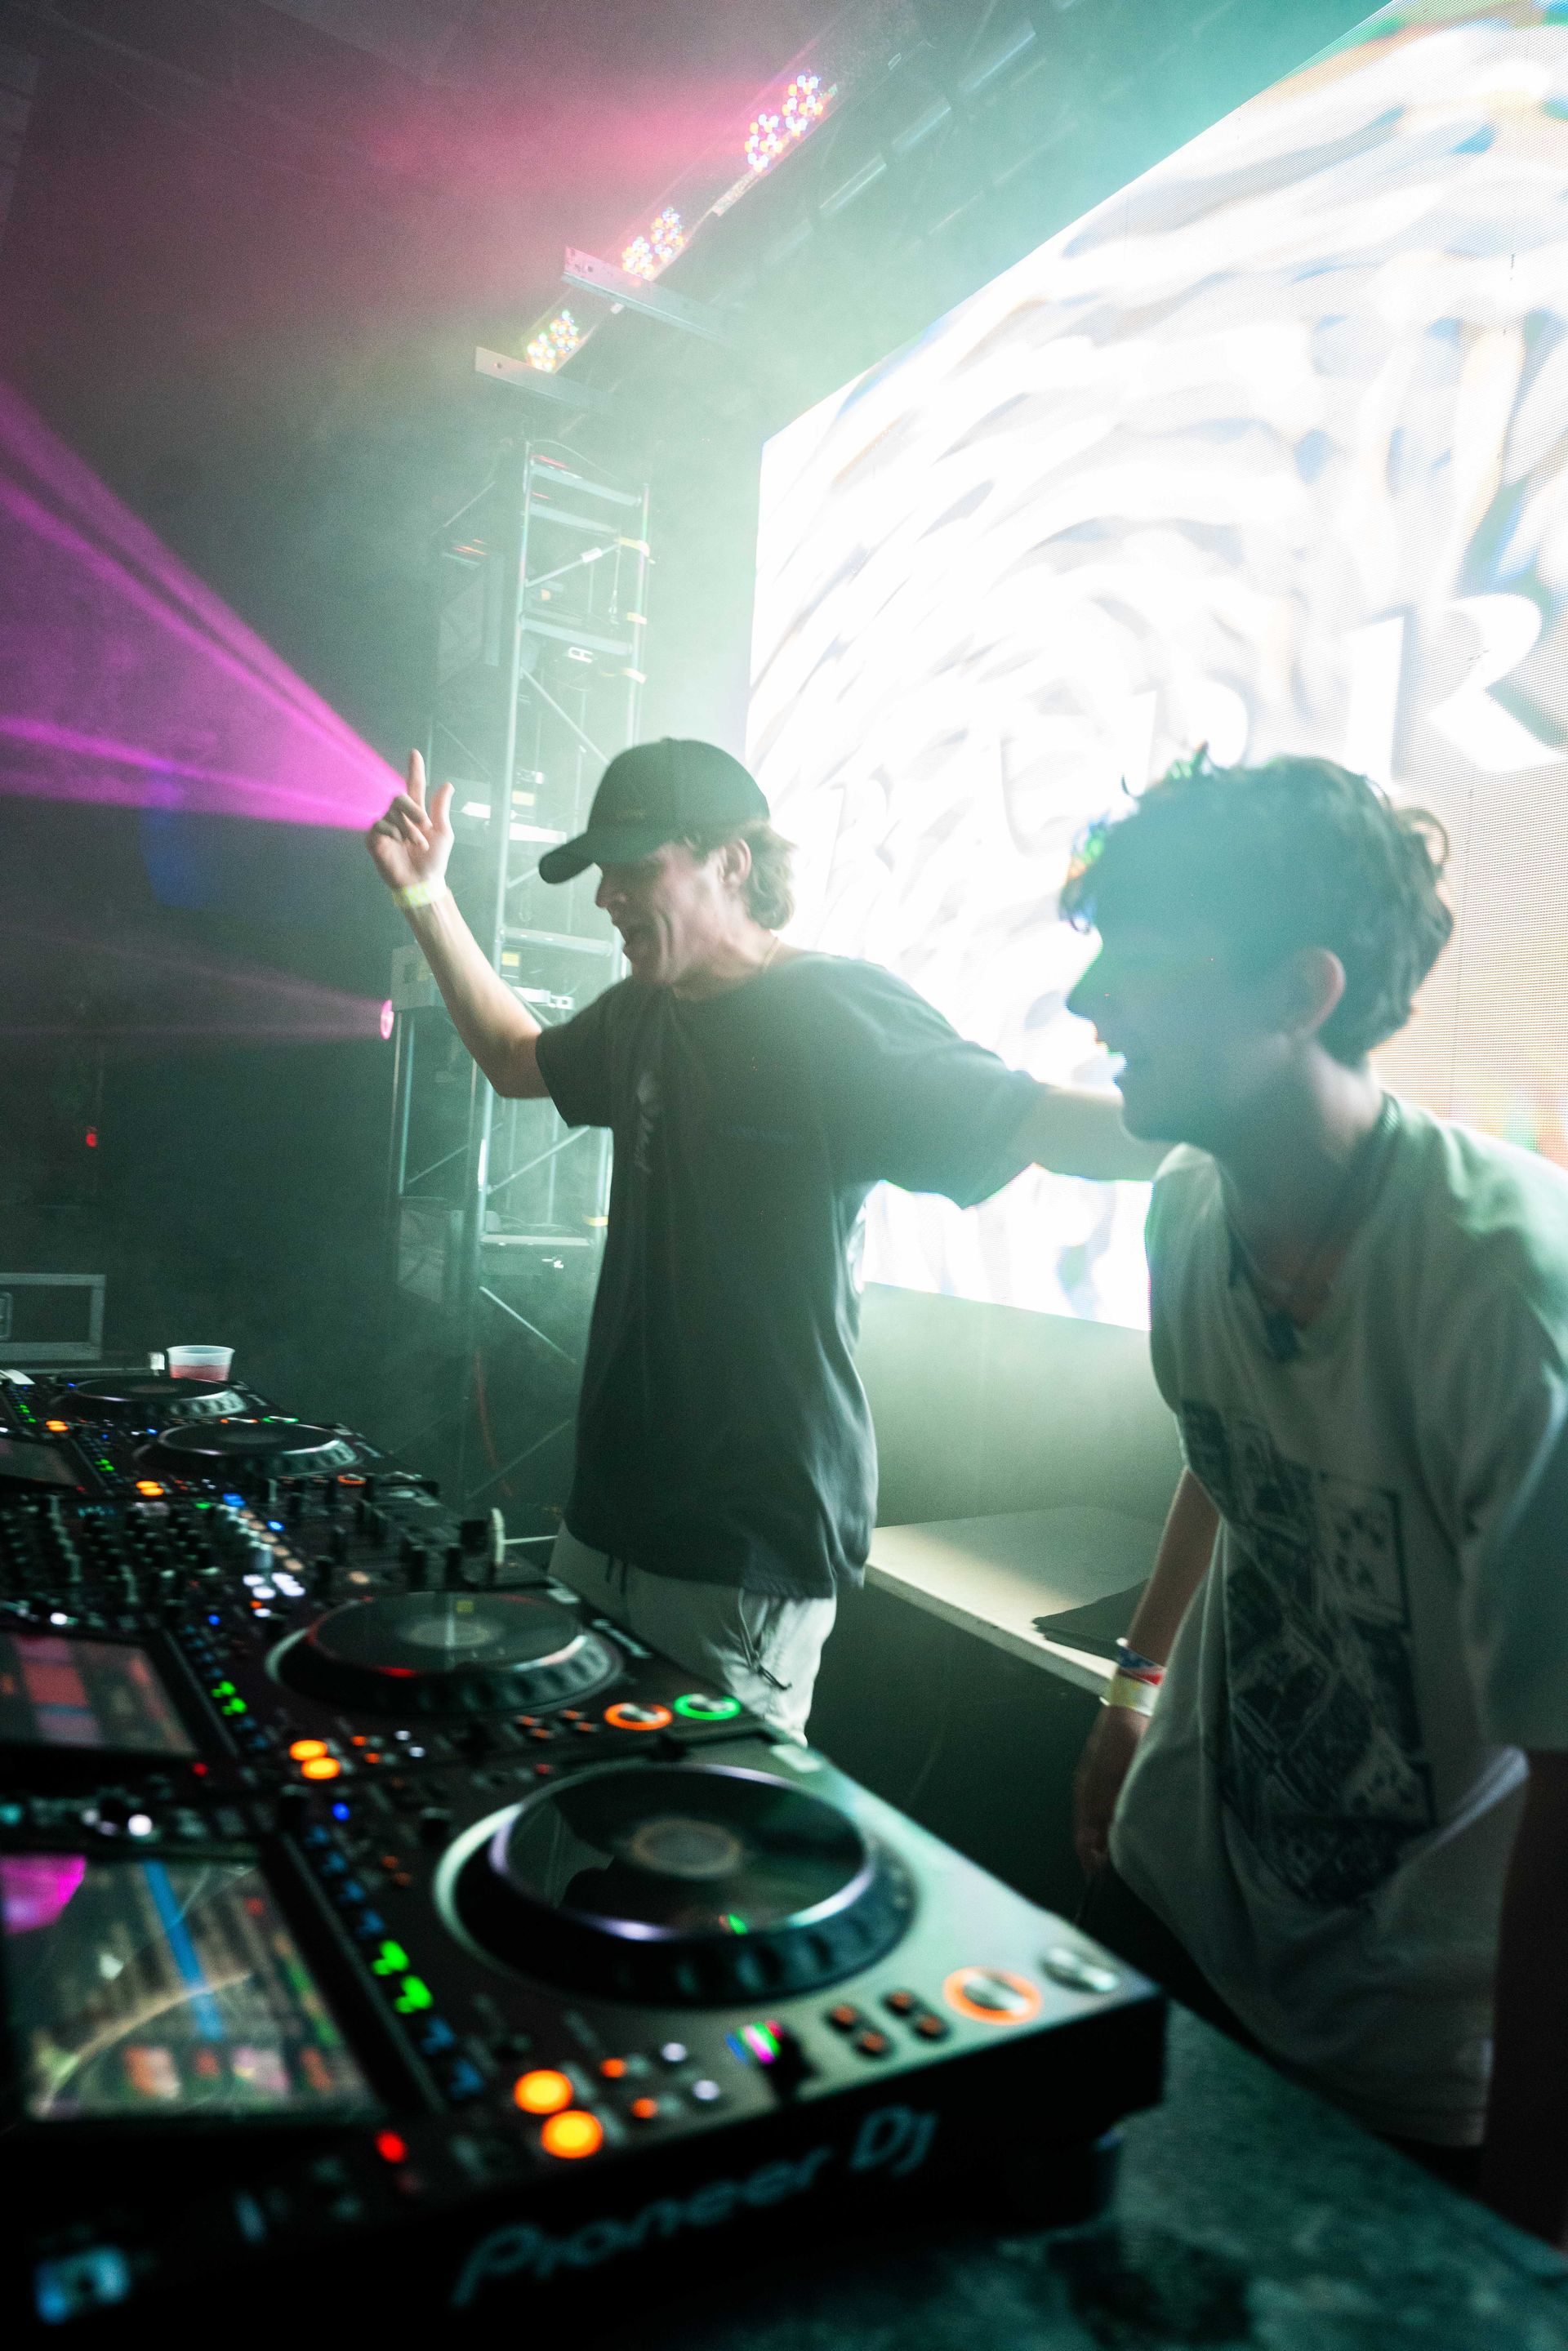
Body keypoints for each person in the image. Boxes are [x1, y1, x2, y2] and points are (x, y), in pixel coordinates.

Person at [368, 737, 1159, 1739]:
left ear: (731, 862)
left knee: (703, 1872)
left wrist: (1265, 1134)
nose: (607, 895)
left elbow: (1039, 1119)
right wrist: (425, 897)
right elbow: (517, 1059)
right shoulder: (642, 1014)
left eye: (634, 866)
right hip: (606, 1526)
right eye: (600, 872)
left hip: (742, 1551)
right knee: (567, 1851)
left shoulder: (833, 1010)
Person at [1062, 750, 1568, 2242]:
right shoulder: (1186, 1201)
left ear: (1304, 990)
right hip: (1181, 1901)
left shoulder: (1504, 1286)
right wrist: (1131, 1685)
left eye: (1142, 964)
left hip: (1406, 2038)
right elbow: (1228, 1454)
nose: (1094, 1005)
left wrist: (1531, 2233)